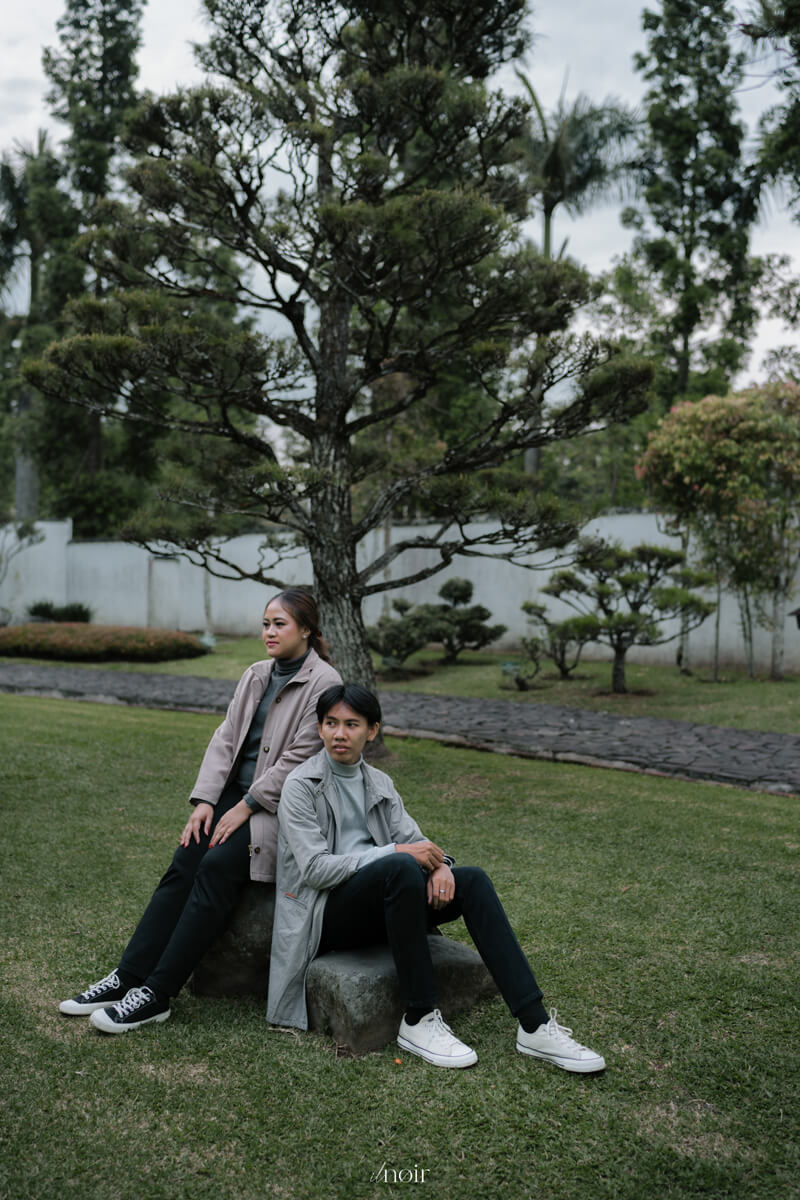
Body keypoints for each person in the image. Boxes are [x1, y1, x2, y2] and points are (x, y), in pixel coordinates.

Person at [267, 683, 605, 1072]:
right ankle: (419, 1018)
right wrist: (394, 852)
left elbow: (416, 842)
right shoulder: (301, 786)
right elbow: (315, 869)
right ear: (319, 727)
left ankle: (535, 1025)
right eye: (330, 723)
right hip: (327, 915)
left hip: (386, 899)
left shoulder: (379, 783)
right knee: (399, 866)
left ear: (372, 731)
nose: (339, 734)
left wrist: (441, 865)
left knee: (472, 880)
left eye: (351, 724)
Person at [59, 588, 341, 1033]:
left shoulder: (324, 682)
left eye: (279, 624)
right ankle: (128, 976)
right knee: (186, 858)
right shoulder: (255, 674)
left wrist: (246, 807)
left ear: (306, 629)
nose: (269, 632)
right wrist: (207, 801)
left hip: (282, 809)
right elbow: (225, 737)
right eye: (265, 624)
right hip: (234, 797)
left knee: (216, 865)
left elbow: (300, 760)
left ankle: (157, 993)